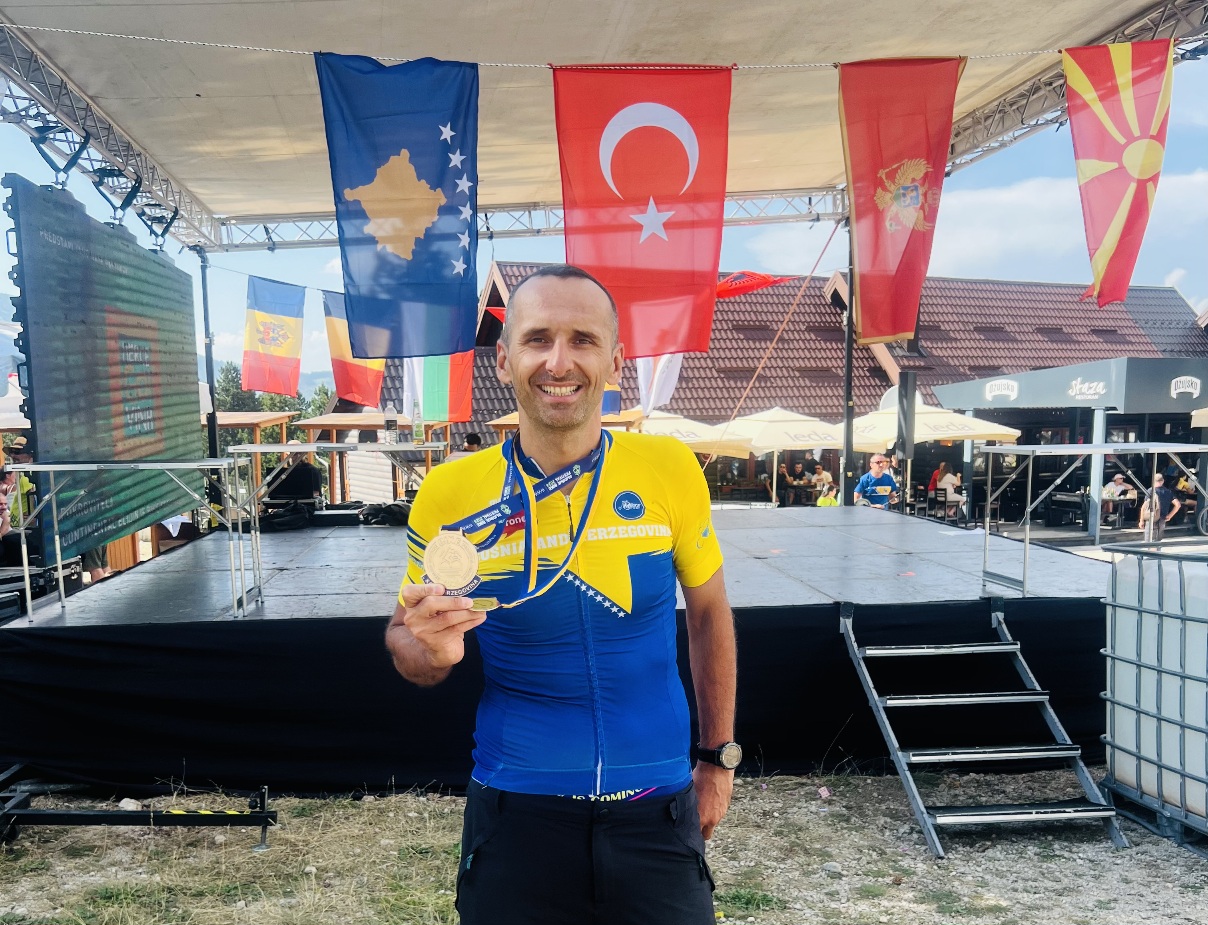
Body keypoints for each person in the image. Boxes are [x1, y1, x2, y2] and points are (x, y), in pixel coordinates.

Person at [385, 265, 737, 925]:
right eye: (538, 338)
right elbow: (406, 638)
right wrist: (428, 649)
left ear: (616, 360)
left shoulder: (668, 468)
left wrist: (718, 758)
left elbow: (709, 614)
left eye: (583, 339)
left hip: (656, 810)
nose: (558, 361)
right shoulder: (449, 493)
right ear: (503, 359)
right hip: (516, 812)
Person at [1139, 472, 1181, 542]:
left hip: (1151, 518)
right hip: (1162, 519)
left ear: (1153, 481)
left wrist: (1141, 520)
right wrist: (1170, 516)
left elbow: (1144, 507)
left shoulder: (1150, 491)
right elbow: (1178, 505)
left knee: (1148, 541)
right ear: (1163, 481)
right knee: (1158, 541)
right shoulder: (1168, 492)